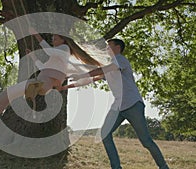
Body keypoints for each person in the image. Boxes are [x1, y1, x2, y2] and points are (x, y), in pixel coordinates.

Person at [0, 27, 102, 130]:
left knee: (7, 93)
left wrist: (37, 35)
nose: (53, 40)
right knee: (6, 99)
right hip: (41, 84)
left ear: (63, 40)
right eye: (52, 38)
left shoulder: (64, 50)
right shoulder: (58, 57)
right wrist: (33, 57)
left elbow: (49, 51)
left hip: (41, 84)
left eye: (55, 38)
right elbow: (43, 67)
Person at [69, 39, 169, 169]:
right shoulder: (111, 65)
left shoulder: (120, 60)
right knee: (105, 134)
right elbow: (94, 77)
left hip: (133, 104)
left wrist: (82, 75)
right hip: (118, 106)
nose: (106, 49)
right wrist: (68, 85)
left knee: (146, 141)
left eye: (108, 46)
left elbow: (101, 70)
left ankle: (164, 167)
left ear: (117, 48)